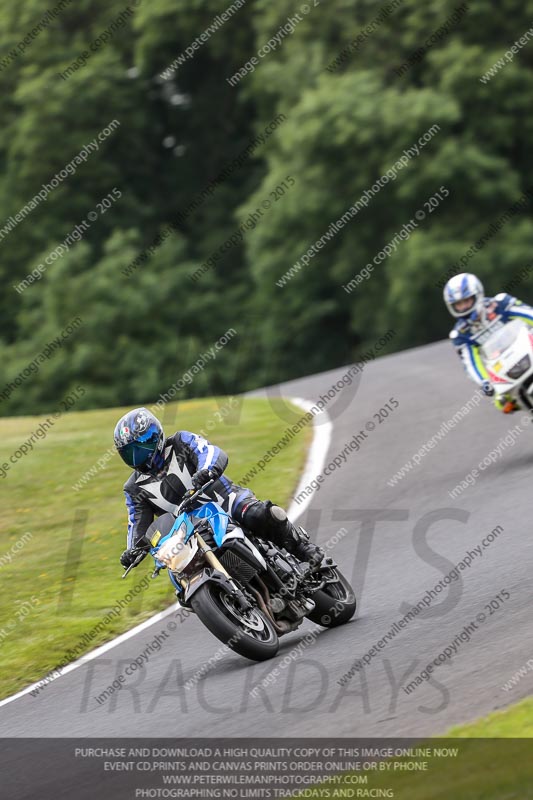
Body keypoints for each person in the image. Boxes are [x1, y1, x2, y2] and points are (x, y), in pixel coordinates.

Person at [114, 407, 324, 569]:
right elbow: (137, 523)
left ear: (155, 436)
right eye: (130, 452)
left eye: (142, 446)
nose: (138, 455)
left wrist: (207, 470)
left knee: (259, 514)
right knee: (177, 570)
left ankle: (302, 548)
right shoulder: (134, 488)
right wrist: (133, 550)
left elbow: (210, 452)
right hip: (187, 531)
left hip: (224, 499)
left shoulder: (180, 442)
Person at [443, 272, 533, 412]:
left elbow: (529, 314)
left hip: (527, 348)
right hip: (502, 368)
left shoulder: (500, 303)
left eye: (466, 301)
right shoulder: (460, 334)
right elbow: (471, 363)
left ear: (477, 295)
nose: (464, 307)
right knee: (502, 403)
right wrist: (484, 382)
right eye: (458, 304)